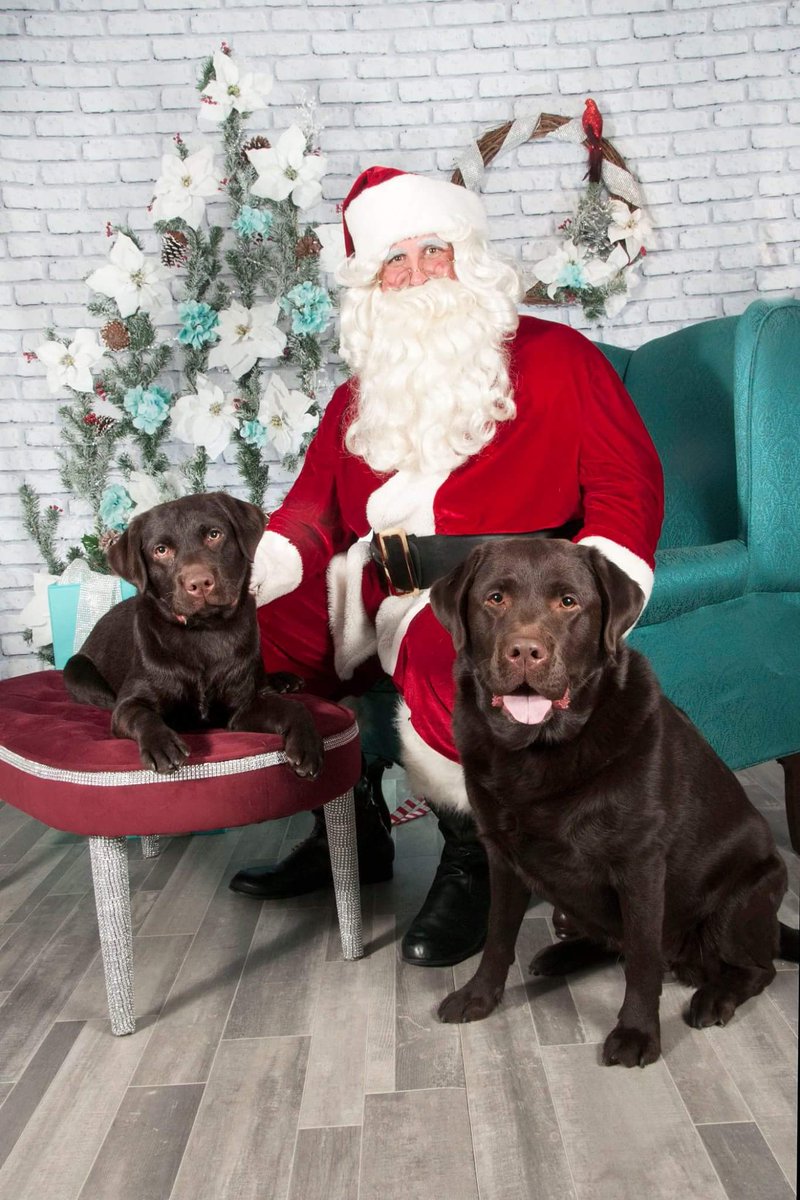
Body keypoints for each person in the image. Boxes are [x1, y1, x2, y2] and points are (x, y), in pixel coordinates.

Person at [229, 165, 665, 967]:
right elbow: (310, 513)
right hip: (374, 586)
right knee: (249, 636)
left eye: (436, 248)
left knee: (446, 660)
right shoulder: (357, 398)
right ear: (371, 285)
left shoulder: (561, 359)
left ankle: (482, 860)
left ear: (470, 256)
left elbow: (624, 487)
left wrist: (597, 589)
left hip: (501, 595)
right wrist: (257, 571)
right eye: (395, 259)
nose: (419, 271)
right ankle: (349, 834)